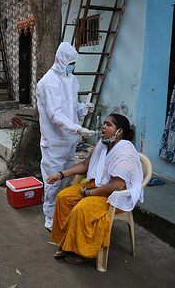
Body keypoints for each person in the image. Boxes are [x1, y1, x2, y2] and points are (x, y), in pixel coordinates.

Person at [48, 113, 143, 264]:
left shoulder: (125, 152)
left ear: (120, 131)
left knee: (82, 209)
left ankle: (82, 251)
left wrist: (89, 193)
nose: (103, 126)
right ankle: (67, 243)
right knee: (63, 197)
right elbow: (86, 165)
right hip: (96, 186)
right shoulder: (102, 144)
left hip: (114, 196)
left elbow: (116, 185)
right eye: (104, 123)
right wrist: (61, 174)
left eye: (109, 124)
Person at [36, 42, 95, 231]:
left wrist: (83, 109)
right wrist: (77, 129)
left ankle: (61, 211)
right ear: (62, 60)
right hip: (54, 142)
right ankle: (50, 218)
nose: (72, 66)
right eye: (70, 62)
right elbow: (55, 115)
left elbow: (71, 108)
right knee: (53, 181)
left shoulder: (72, 79)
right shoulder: (49, 82)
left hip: (69, 141)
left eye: (74, 62)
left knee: (67, 180)